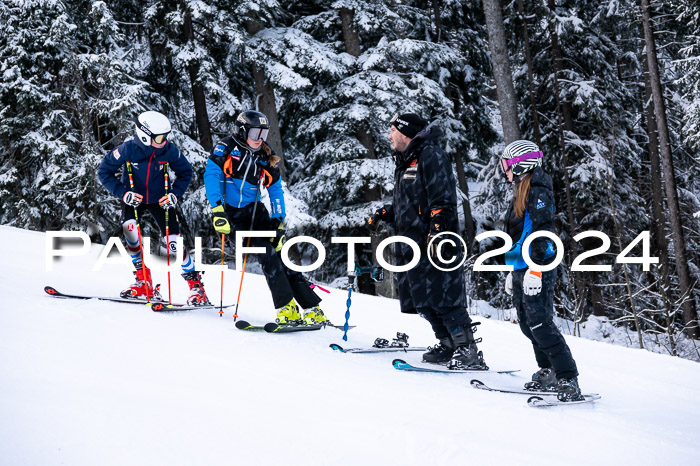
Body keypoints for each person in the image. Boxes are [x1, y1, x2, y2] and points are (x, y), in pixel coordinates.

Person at [367, 112, 488, 370]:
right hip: (410, 244)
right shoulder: (406, 161)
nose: (389, 136)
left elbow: (442, 200)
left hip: (433, 242)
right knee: (421, 300)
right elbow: (410, 202)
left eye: (393, 131)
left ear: (405, 133)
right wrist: (386, 212)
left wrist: (436, 233)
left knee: (442, 296)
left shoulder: (431, 155)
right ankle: (447, 343)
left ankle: (467, 349)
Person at [204, 110, 326, 324]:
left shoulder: (263, 155)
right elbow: (212, 175)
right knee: (267, 254)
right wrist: (217, 210)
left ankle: (312, 309)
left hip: (255, 213)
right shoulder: (227, 147)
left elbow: (275, 189)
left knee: (281, 255)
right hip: (233, 217)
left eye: (264, 133)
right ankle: (287, 310)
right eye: (254, 133)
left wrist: (278, 220)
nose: (260, 139)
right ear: (242, 132)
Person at [500, 139, 583, 402]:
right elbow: (517, 236)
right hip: (521, 267)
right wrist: (512, 270)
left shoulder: (538, 191)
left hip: (538, 266)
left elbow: (542, 231)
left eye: (507, 165)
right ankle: (548, 371)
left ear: (521, 164)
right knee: (527, 324)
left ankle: (567, 376)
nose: (505, 171)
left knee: (540, 323)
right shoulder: (522, 191)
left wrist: (536, 269)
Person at [97, 111, 209, 306]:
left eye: (166, 136)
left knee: (172, 241)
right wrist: (123, 193)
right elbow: (104, 171)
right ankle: (143, 281)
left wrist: (174, 194)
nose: (164, 141)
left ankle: (196, 287)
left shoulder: (169, 151)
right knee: (130, 231)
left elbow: (185, 172)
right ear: (144, 135)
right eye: (159, 137)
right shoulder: (127, 150)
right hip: (134, 198)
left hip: (161, 199)